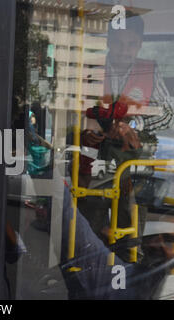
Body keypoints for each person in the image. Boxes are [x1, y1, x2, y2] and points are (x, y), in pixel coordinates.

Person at [78, 13, 174, 257]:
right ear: (109, 42)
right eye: (119, 42)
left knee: (131, 231)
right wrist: (85, 131)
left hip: (135, 164)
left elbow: (168, 114)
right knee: (90, 223)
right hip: (95, 163)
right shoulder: (90, 70)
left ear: (140, 43)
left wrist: (135, 124)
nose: (125, 49)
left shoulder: (149, 70)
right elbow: (71, 111)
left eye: (131, 43)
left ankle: (128, 274)